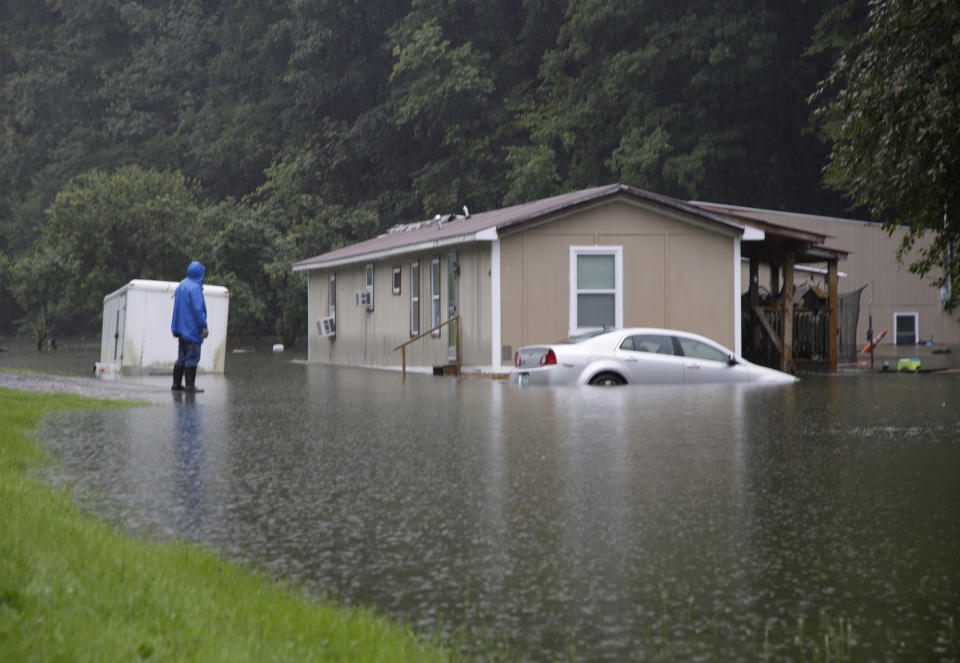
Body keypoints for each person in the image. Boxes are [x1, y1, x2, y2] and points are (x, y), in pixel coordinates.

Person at [171, 261, 209, 393]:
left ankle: (176, 384)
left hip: (181, 329)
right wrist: (204, 326)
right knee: (192, 357)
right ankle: (190, 385)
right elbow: (198, 310)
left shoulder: (181, 286)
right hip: (192, 330)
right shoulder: (195, 288)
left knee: (181, 357)